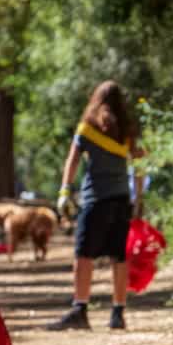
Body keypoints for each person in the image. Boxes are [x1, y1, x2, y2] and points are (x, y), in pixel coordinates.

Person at [47, 80, 146, 331]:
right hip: (121, 199)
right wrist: (138, 198)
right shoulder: (127, 131)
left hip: (95, 199)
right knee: (118, 257)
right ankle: (118, 313)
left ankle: (80, 309)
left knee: (83, 255)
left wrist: (64, 191)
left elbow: (72, 160)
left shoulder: (87, 128)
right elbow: (140, 166)